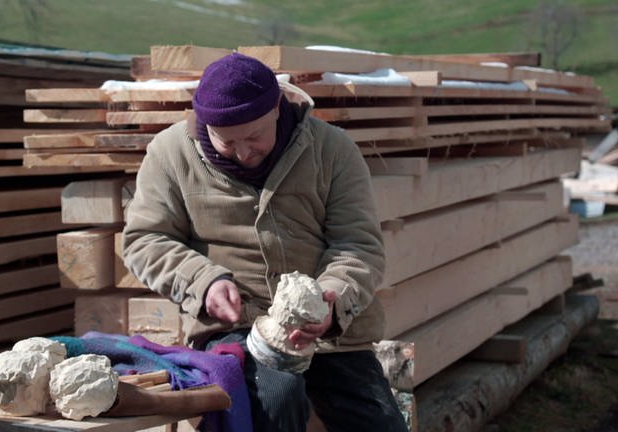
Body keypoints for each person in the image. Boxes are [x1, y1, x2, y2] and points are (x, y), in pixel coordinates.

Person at [122, 52, 408, 432]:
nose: (243, 153)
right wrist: (203, 283)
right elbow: (146, 240)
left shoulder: (333, 149)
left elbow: (358, 245)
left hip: (334, 335)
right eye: (226, 142)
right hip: (237, 330)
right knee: (278, 399)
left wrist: (330, 300)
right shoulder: (170, 153)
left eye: (254, 137)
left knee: (378, 423)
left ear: (276, 107)